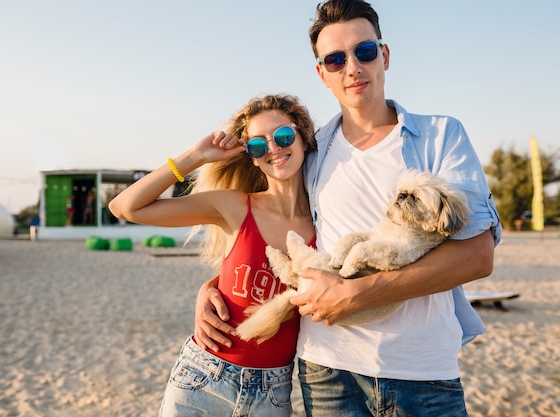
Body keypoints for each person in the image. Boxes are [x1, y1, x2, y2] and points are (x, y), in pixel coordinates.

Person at [194, 1, 503, 416]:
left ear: (385, 55)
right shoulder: (310, 151)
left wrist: (353, 295)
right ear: (322, 73)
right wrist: (214, 287)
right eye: (336, 59)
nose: (352, 67)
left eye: (365, 51)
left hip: (422, 371)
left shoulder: (439, 136)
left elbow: (478, 256)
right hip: (327, 371)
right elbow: (272, 221)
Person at [108, 94, 317, 417]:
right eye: (259, 145)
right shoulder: (233, 206)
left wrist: (211, 284)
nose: (274, 148)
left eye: (284, 136)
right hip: (204, 378)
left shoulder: (326, 220)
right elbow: (125, 207)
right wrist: (195, 156)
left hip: (273, 392)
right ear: (252, 157)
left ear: (303, 137)